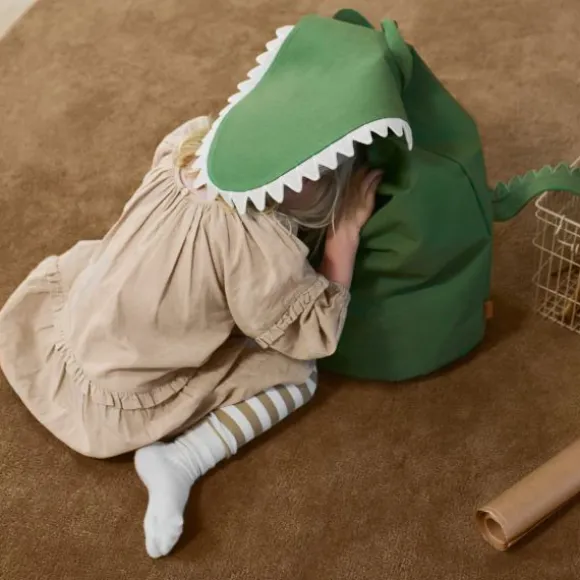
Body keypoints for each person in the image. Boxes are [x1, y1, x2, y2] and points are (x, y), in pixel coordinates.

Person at [0, 114, 383, 558]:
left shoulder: (185, 145)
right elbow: (314, 332)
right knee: (299, 375)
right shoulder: (260, 251)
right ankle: (183, 459)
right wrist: (343, 237)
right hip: (114, 389)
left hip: (72, 326)